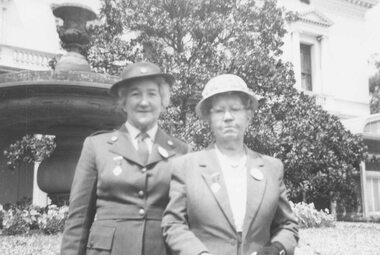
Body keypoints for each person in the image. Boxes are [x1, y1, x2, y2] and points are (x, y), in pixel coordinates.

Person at [61, 62, 191, 255]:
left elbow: (188, 219)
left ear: (163, 100)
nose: (144, 102)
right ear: (123, 101)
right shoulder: (97, 146)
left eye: (152, 94)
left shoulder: (182, 151)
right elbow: (78, 219)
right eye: (135, 94)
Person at [162, 74, 299, 255]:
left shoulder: (272, 168)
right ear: (209, 118)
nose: (227, 117)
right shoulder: (186, 166)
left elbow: (288, 225)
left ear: (248, 115)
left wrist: (277, 249)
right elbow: (173, 224)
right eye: (219, 110)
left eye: (235, 109)